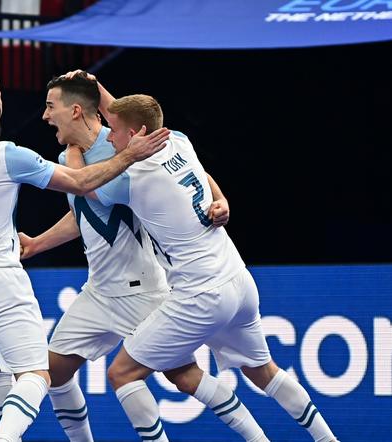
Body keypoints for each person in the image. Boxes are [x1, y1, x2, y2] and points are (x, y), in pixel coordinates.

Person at [70, 70, 338, 442]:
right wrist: (93, 82)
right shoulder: (179, 140)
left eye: (112, 131)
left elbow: (83, 185)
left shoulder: (132, 178)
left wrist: (73, 151)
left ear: (134, 137)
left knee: (122, 373)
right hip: (238, 280)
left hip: (201, 294)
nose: (107, 136)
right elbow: (133, 119)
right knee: (264, 371)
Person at [19, 72, 269, 442]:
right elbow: (84, 212)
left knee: (183, 376)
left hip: (142, 290)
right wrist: (37, 243)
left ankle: (256, 437)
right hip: (99, 292)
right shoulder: (68, 158)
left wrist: (221, 200)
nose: (44, 116)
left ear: (75, 111)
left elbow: (191, 169)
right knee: (51, 373)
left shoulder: (126, 149)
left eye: (49, 106)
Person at [0, 73, 170, 442]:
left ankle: (6, 434)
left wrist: (37, 242)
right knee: (37, 374)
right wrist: (131, 154)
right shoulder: (8, 154)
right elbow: (81, 183)